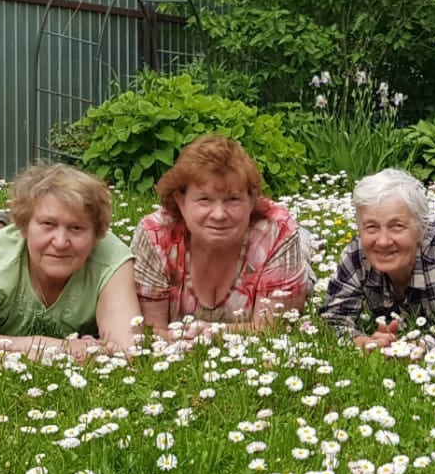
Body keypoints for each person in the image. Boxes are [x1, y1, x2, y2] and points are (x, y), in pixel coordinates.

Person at [0, 164, 142, 359]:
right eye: (48, 224)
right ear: (24, 227)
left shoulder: (113, 259)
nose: (61, 242)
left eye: (76, 228)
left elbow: (127, 350)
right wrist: (71, 349)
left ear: (97, 235)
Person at [132, 134, 314, 336]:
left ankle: (305, 240)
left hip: (275, 251)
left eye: (232, 199)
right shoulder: (155, 235)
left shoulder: (277, 232)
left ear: (253, 199)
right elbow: (150, 331)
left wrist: (214, 334)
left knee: (302, 255)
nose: (218, 214)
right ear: (181, 201)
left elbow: (274, 328)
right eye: (204, 199)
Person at [320, 145, 435, 349]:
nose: (383, 241)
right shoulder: (357, 254)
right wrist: (363, 342)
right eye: (371, 227)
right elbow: (332, 321)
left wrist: (422, 347)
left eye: (397, 226)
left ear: (422, 229)